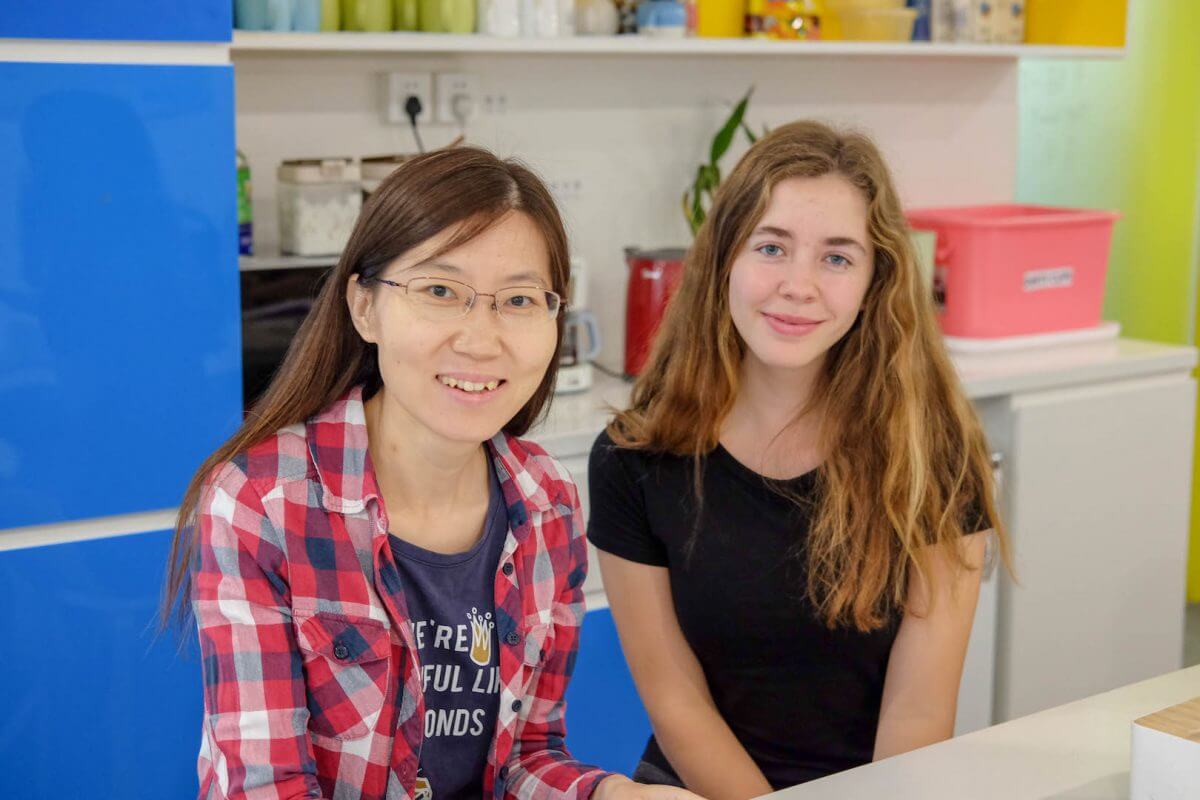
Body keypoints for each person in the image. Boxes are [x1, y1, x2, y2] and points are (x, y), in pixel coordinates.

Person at [161, 145, 702, 800]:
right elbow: (267, 788)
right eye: (441, 291)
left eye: (520, 299)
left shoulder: (546, 500)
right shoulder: (264, 502)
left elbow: (526, 756)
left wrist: (617, 796)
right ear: (365, 307)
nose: (481, 338)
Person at [587, 120, 1012, 798]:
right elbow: (675, 703)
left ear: (876, 282)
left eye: (837, 258)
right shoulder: (634, 459)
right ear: (725, 256)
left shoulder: (931, 451)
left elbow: (919, 709)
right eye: (772, 247)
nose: (799, 285)